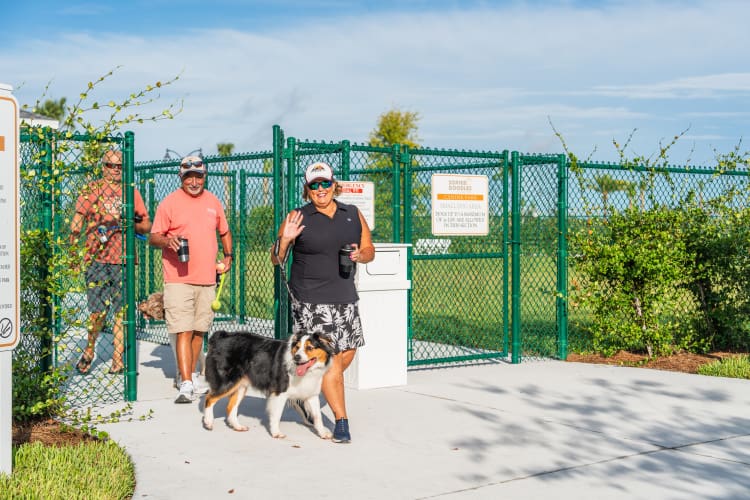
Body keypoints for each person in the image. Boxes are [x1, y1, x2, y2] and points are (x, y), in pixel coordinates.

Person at [271, 161, 375, 443]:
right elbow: (276, 259)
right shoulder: (298, 216)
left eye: (325, 183)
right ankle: (341, 422)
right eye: (314, 185)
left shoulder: (352, 214)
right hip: (311, 300)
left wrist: (361, 255)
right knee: (332, 361)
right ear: (307, 189)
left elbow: (369, 250)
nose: (320, 189)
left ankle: (302, 395)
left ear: (334, 185)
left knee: (347, 353)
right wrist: (285, 240)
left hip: (345, 296)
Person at [150, 155, 233, 404]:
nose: (194, 182)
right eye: (189, 177)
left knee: (199, 330)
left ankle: (193, 375)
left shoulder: (213, 202)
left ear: (204, 177)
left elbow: (224, 231)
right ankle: (185, 382)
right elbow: (154, 237)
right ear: (181, 177)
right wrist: (168, 241)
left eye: (198, 177)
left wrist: (228, 256)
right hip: (178, 279)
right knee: (183, 330)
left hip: (207, 278)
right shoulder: (169, 203)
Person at [70, 149, 152, 375]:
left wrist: (131, 222)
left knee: (122, 311)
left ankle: (117, 359)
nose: (115, 169)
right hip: (96, 258)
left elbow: (146, 225)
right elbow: (77, 221)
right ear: (103, 166)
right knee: (98, 312)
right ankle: (89, 349)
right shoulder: (92, 189)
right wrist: (73, 252)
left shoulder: (130, 192)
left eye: (119, 166)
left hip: (123, 260)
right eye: (110, 165)